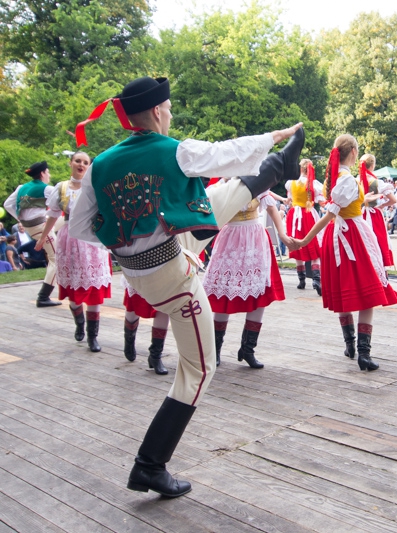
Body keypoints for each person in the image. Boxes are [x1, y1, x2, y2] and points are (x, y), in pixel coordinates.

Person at [69, 76, 304, 498]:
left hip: (143, 270)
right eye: (169, 109)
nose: (171, 115)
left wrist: (128, 237)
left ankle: (275, 168)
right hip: (173, 279)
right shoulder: (172, 151)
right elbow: (225, 153)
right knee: (200, 369)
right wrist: (274, 135)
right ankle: (149, 465)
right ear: (156, 111)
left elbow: (80, 227)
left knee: (218, 202)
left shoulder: (100, 165)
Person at [296, 134, 397, 372]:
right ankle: (363, 353)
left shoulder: (331, 179)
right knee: (367, 293)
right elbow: (331, 213)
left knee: (345, 289)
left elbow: (335, 209)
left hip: (337, 235)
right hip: (351, 235)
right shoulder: (348, 181)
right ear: (353, 152)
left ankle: (350, 345)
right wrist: (305, 240)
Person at [34, 152, 112, 352]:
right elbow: (52, 215)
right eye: (78, 161)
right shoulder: (61, 188)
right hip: (69, 239)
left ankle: (93, 337)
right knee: (74, 291)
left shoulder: (94, 187)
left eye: (86, 162)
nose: (81, 164)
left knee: (93, 289)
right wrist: (43, 238)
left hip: (91, 239)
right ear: (71, 163)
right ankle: (79, 322)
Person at [205, 186, 290, 368]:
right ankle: (215, 349)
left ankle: (248, 349)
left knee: (259, 293)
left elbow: (271, 208)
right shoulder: (224, 185)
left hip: (255, 238)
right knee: (224, 291)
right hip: (230, 238)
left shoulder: (259, 181)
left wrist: (282, 234)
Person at [3, 161, 61, 306]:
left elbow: (7, 205)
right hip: (41, 227)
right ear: (42, 173)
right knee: (57, 259)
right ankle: (43, 297)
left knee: (66, 222)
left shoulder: (21, 188)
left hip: (31, 227)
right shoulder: (47, 189)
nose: (49, 175)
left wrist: (20, 219)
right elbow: (64, 203)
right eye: (48, 172)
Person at [285, 159, 324, 294]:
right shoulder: (314, 184)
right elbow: (321, 201)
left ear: (300, 168)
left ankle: (301, 281)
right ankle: (316, 280)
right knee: (313, 244)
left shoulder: (291, 182)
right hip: (308, 214)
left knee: (296, 245)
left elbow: (290, 200)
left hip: (294, 216)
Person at [360, 154, 396, 265]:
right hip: (373, 214)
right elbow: (393, 200)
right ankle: (379, 266)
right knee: (378, 239)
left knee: (361, 240)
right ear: (372, 165)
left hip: (358, 214)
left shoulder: (356, 181)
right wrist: (382, 206)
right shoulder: (376, 182)